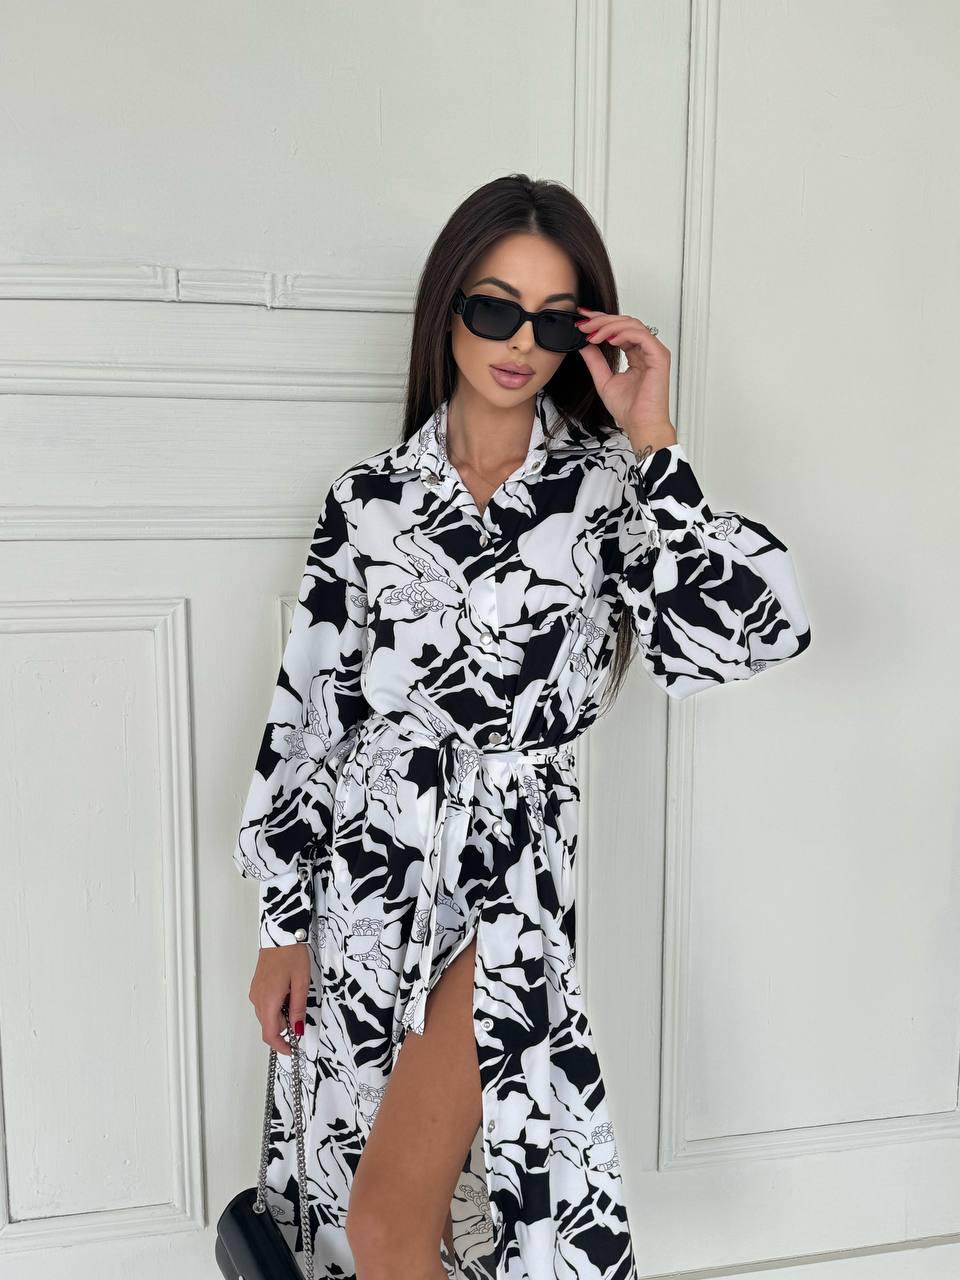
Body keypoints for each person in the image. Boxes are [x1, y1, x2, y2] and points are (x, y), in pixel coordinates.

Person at [233, 173, 812, 1280]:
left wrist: (654, 436)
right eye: (496, 307)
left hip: (513, 882)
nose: (519, 342)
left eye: (552, 321)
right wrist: (281, 924)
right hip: (368, 876)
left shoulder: (609, 491)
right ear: (448, 306)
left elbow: (752, 632)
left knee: (401, 1219)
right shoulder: (367, 501)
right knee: (362, 1214)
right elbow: (309, 714)